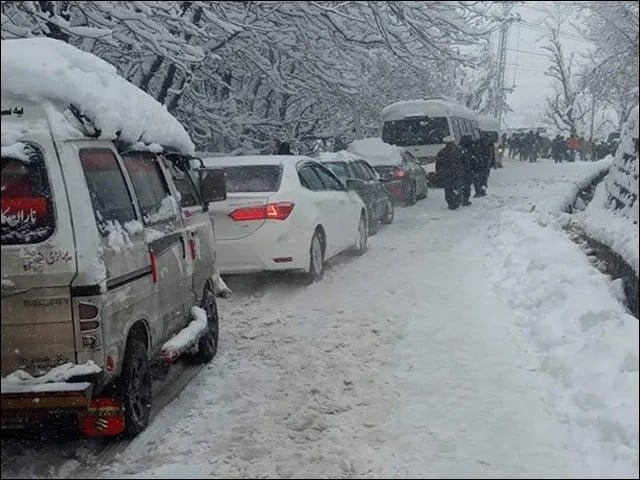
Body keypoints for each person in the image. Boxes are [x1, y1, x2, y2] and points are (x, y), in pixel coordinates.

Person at [436, 135, 464, 210]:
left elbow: (438, 165)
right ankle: (456, 200)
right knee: (456, 187)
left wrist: (439, 173)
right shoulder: (459, 151)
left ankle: (452, 202)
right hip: (456, 173)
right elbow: (464, 162)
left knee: (449, 189)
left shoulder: (442, 153)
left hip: (447, 174)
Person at [459, 135, 475, 206]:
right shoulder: (471, 148)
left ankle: (460, 198)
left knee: (461, 185)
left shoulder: (459, 149)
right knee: (467, 186)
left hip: (460, 170)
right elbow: (473, 160)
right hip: (468, 170)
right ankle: (465, 200)